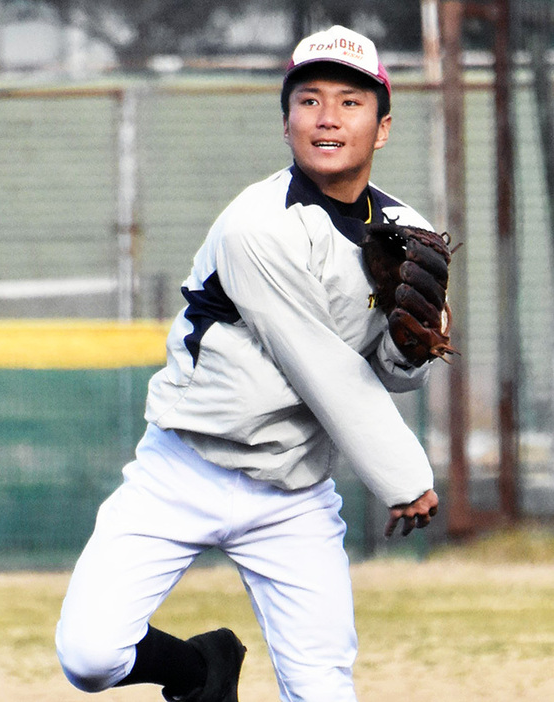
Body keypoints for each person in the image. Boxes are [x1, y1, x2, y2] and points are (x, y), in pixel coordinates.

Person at [56, 24, 439, 702]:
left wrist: (407, 348)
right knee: (89, 657)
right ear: (286, 121)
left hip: (293, 493)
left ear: (381, 128)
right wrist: (403, 474)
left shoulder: (407, 230)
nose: (327, 117)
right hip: (185, 468)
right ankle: (197, 672)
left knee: (322, 689)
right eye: (309, 99)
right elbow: (316, 362)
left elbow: (388, 371)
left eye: (350, 102)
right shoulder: (256, 221)